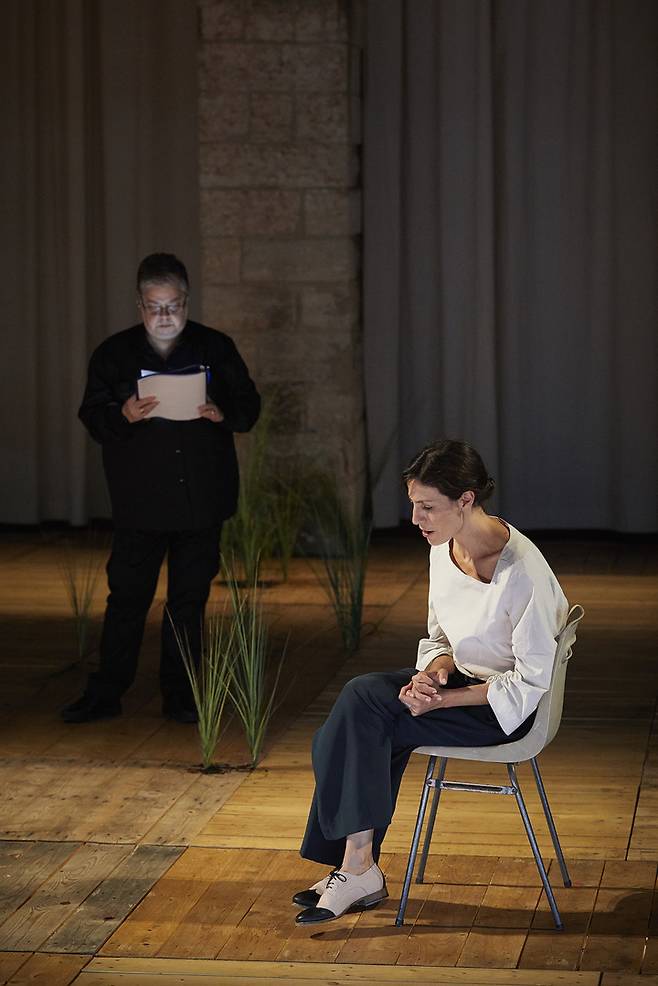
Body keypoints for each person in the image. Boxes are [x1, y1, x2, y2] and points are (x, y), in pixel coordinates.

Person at [293, 439, 568, 924]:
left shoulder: (522, 571)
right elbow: (439, 636)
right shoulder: (444, 548)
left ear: (466, 500)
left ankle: (356, 867)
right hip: (459, 686)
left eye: (427, 507)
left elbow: (530, 682)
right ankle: (357, 865)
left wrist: (442, 701)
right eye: (413, 506)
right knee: (359, 710)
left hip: (503, 712)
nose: (417, 519)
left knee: (354, 722)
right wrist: (431, 675)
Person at [62, 253, 260, 723]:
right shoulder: (115, 355)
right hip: (140, 503)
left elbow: (249, 407)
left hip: (202, 502)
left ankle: (183, 696)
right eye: (155, 307)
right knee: (127, 598)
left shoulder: (215, 347)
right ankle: (107, 692)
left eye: (173, 305)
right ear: (139, 305)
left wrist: (220, 411)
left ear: (187, 301)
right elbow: (92, 417)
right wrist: (122, 414)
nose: (165, 316)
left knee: (188, 603)